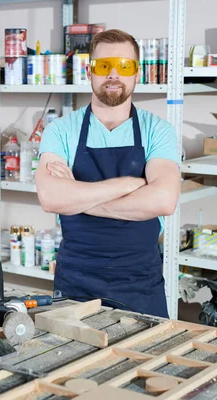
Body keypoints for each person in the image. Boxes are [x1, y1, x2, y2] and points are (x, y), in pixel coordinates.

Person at [35, 29, 180, 318]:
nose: (114, 75)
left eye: (124, 67)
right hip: (76, 281)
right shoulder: (61, 130)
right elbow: (51, 198)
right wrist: (131, 184)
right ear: (89, 73)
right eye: (104, 66)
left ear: (137, 73)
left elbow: (163, 201)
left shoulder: (157, 130)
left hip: (139, 282)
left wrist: (80, 198)